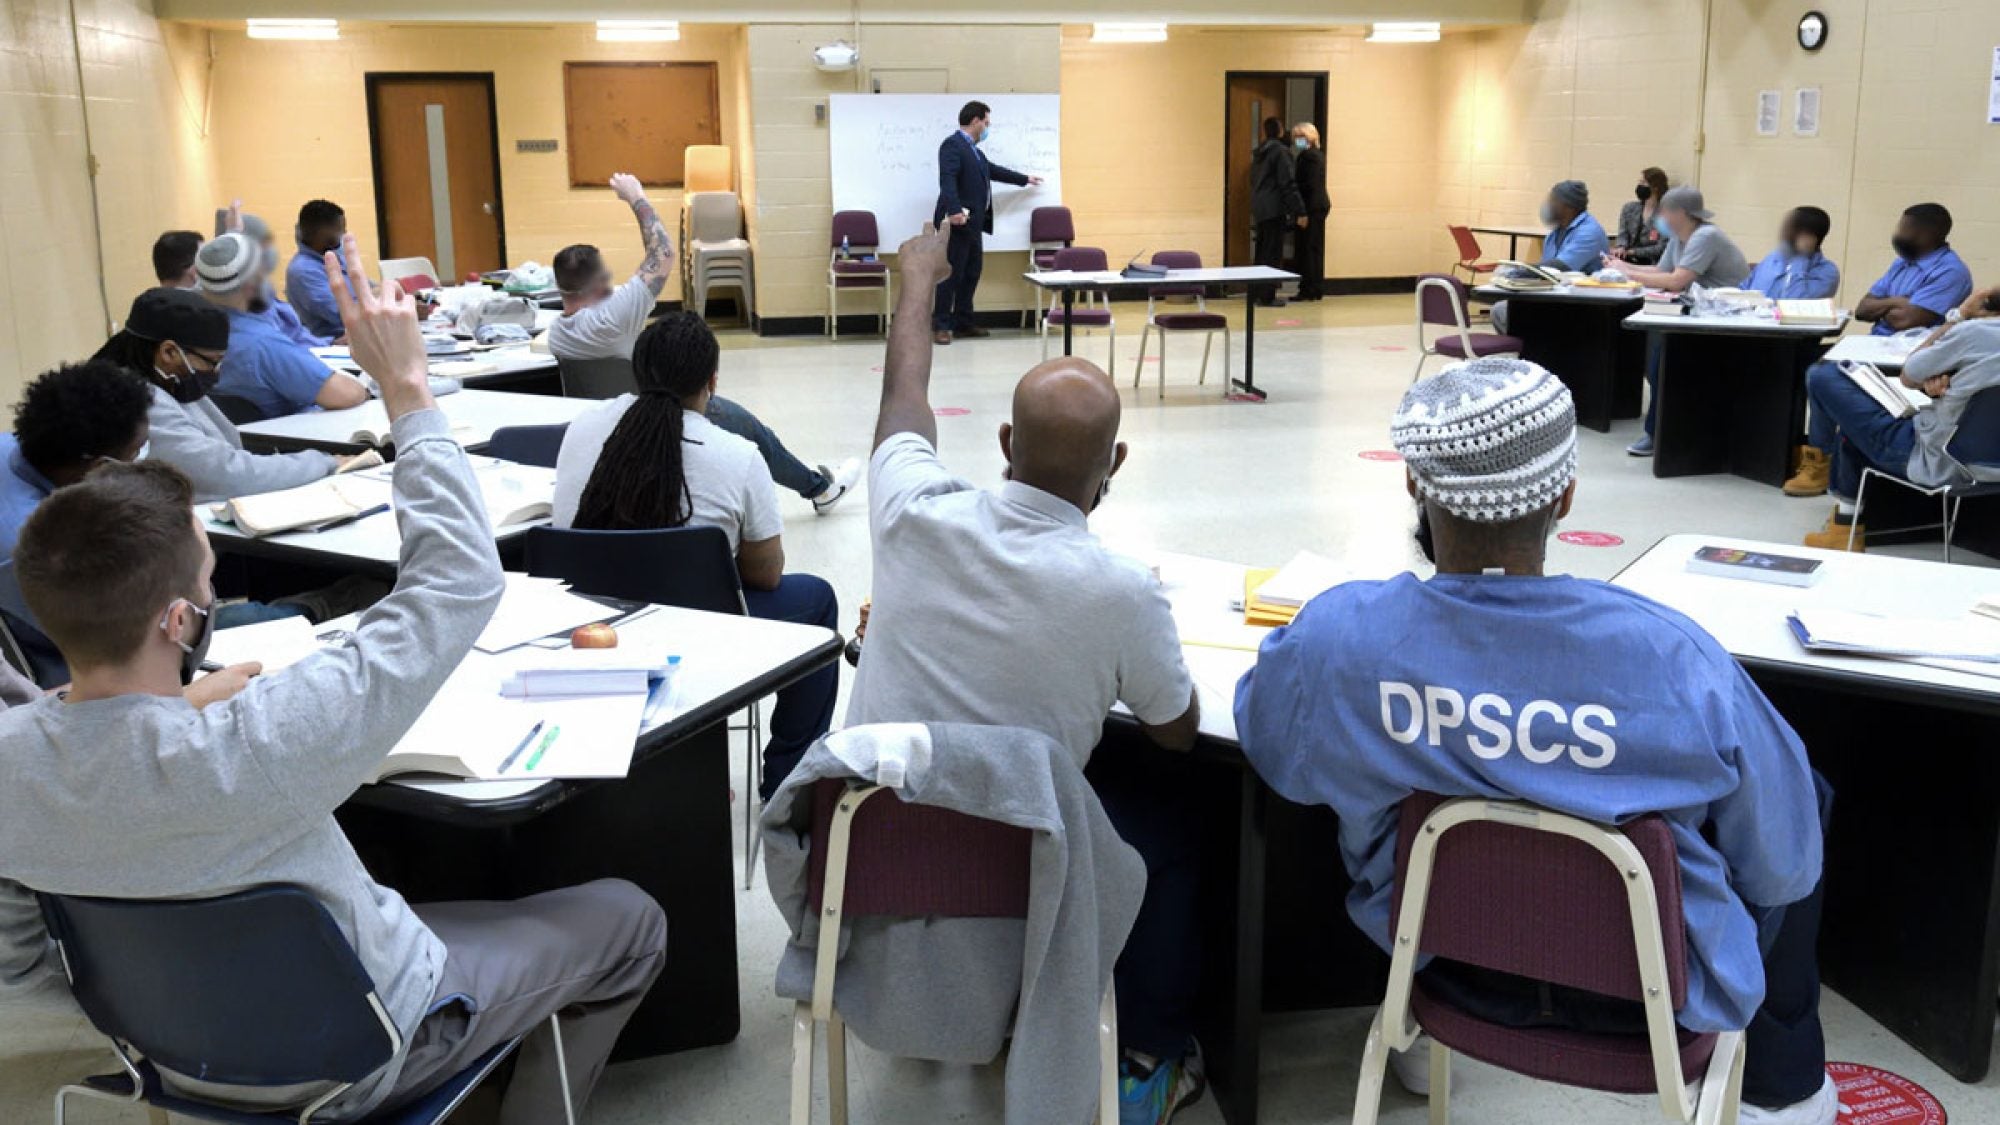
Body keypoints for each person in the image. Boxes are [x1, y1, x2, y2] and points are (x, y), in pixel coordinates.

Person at [0, 237, 667, 1124]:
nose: (211, 595)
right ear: (176, 621)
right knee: (628, 917)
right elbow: (457, 584)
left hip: (168, 1053)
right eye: (207, 585)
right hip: (367, 1050)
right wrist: (408, 392)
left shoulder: (15, 767)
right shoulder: (263, 741)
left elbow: (22, 959)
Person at [1236, 357, 1838, 1125]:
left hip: (1440, 964)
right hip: (1654, 992)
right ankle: (1781, 1095)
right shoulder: (1674, 658)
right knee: (1798, 795)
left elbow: (1275, 748)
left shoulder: (1339, 638)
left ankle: (1425, 1044)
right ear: (1565, 495)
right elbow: (1783, 864)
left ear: (1417, 485)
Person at [848, 224, 1205, 1125]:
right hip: (1026, 877)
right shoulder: (1122, 592)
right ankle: (1150, 1048)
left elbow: (903, 401)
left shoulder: (912, 514)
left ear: (1003, 440)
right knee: (1174, 823)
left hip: (869, 859)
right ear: (1114, 465)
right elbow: (1176, 728)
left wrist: (919, 279)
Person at [552, 311, 839, 798]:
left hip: (594, 630)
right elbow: (765, 577)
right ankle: (788, 784)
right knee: (817, 601)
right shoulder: (738, 454)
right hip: (700, 639)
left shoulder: (583, 427)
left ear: (636, 372)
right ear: (712, 382)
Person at [548, 173, 859, 513]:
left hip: (602, 421)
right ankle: (820, 490)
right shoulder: (613, 319)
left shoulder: (557, 332)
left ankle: (816, 485)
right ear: (600, 284)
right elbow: (663, 254)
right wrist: (636, 197)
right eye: (607, 277)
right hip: (654, 412)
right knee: (749, 427)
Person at [92, 287, 350, 503]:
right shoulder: (135, 402)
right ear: (169, 353)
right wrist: (322, 462)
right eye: (211, 362)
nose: (216, 372)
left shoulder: (167, 380)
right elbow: (226, 474)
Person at [1788, 286, 2000, 547]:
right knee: (1854, 425)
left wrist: (1958, 317)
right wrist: (1949, 387)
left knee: (1823, 375)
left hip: (1941, 462)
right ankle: (1843, 524)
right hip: (1992, 464)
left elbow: (1909, 374)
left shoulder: (1974, 334)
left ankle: (1820, 458)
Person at [1614, 186, 1751, 456]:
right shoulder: (1679, 237)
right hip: (1699, 314)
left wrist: (1628, 275)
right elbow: (1660, 271)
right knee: (1657, 356)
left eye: (1664, 210)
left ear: (1681, 213)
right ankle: (1659, 430)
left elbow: (1677, 281)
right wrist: (1621, 268)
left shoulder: (1706, 236)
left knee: (1661, 358)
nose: (1659, 216)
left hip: (1725, 321)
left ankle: (1657, 433)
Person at [201, 231, 370, 419]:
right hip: (291, 441)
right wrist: (367, 387)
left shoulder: (192, 330)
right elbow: (345, 394)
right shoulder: (262, 344)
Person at [932, 100, 1043, 344]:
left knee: (971, 273)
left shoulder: (975, 152)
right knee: (951, 274)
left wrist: (1024, 179)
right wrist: (953, 211)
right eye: (986, 122)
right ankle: (941, 325)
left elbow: (994, 171)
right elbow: (947, 180)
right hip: (958, 223)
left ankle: (963, 322)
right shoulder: (952, 146)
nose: (987, 128)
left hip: (974, 224)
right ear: (975, 121)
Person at [1492, 180, 1610, 333]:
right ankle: (1529, 353)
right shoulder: (1556, 233)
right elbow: (1545, 273)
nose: (1548, 205)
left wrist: (1518, 271)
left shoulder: (1589, 232)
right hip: (1556, 297)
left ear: (1568, 206)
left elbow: (1558, 267)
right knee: (1500, 310)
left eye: (1553, 200)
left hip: (1582, 304)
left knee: (1506, 312)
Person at [220, 205, 335, 348]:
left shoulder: (262, 290)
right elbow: (282, 346)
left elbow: (295, 334)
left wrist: (330, 343)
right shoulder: (240, 299)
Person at [1851, 203, 1972, 337]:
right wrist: (1899, 301)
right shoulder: (1902, 262)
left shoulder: (1951, 272)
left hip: (1912, 349)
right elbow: (1862, 310)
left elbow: (1904, 321)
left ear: (1926, 235)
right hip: (1876, 342)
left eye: (1903, 229)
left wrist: (1881, 307)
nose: (1897, 235)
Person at [1250, 116, 1305, 308]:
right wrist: (1300, 210)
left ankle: (1257, 292)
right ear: (1280, 130)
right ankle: (1267, 295)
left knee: (1261, 252)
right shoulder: (1281, 152)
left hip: (1260, 207)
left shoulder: (1259, 153)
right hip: (1274, 208)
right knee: (1272, 253)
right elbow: (1287, 183)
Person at [1745, 207, 1841, 301]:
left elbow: (1794, 302)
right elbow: (1744, 289)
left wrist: (1801, 256)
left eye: (1791, 228)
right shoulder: (1774, 258)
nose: (1784, 232)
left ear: (1810, 236)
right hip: (1748, 315)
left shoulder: (1827, 273)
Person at [285, 198, 349, 338]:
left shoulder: (333, 257)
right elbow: (343, 313)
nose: (344, 233)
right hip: (333, 345)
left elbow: (367, 287)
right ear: (322, 233)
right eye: (340, 229)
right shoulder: (303, 271)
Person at [1290, 122, 1331, 301]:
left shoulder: (1309, 157)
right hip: (1317, 206)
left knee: (1307, 249)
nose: (1296, 141)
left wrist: (1303, 213)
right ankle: (1314, 287)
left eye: (1299, 138)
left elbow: (1310, 186)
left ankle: (1309, 288)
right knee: (1313, 248)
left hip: (1311, 207)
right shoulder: (1317, 155)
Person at [1611, 167, 1671, 266]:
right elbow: (1623, 234)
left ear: (1655, 187)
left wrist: (1633, 252)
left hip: (1652, 264)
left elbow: (1662, 247)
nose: (1640, 186)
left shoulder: (1665, 215)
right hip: (1626, 259)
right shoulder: (1629, 208)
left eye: (1643, 183)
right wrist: (1621, 247)